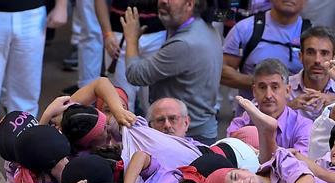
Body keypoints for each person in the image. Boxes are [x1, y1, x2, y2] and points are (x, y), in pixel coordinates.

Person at [121, 0, 220, 140]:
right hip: (197, 130)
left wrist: (131, 39)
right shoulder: (204, 27)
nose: (162, 1)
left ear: (190, 4)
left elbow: (135, 74)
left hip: (186, 137)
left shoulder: (184, 44)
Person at [222, 0, 309, 91]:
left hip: (297, 104)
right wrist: (260, 83)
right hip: (251, 104)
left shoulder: (312, 36)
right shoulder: (244, 29)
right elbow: (222, 72)